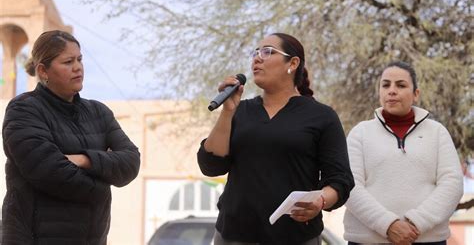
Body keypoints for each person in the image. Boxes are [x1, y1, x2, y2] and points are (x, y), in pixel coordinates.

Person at [197, 33, 354, 245]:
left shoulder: (321, 116)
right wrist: (227, 111)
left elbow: (340, 180)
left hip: (295, 237)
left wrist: (320, 201)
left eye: (267, 52)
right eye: (255, 53)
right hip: (234, 236)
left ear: (293, 63)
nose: (257, 58)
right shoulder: (240, 111)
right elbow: (211, 166)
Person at [2, 30, 141, 245]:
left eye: (79, 59)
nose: (77, 67)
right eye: (67, 61)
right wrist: (105, 180)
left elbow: (131, 162)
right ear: (43, 71)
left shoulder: (99, 113)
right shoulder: (24, 110)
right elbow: (51, 173)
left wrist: (86, 159)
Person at [343, 61, 464, 245]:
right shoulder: (360, 133)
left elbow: (452, 185)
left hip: (426, 240)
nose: (392, 90)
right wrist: (389, 225)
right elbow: (350, 187)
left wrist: (415, 223)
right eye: (386, 85)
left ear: (416, 94)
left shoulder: (437, 132)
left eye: (400, 85)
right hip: (368, 242)